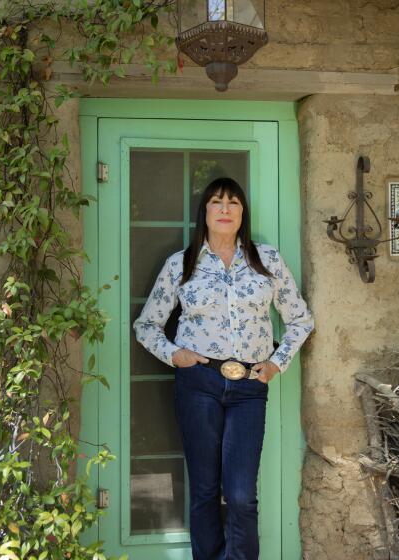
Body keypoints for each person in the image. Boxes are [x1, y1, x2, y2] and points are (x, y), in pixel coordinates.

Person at [133, 177, 314, 560]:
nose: (225, 209)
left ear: (243, 213)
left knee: (241, 495)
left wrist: (276, 364)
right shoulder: (181, 263)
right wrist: (175, 355)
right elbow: (146, 326)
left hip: (249, 387)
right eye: (217, 202)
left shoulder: (266, 261)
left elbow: (300, 320)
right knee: (203, 490)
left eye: (233, 202)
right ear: (205, 212)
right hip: (198, 384)